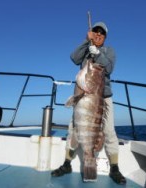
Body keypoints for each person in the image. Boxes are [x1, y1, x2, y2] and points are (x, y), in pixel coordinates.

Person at [51, 22, 126, 185]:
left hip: (102, 98)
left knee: (109, 131)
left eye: (102, 33)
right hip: (83, 98)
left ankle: (114, 167)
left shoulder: (109, 51)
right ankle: (67, 164)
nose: (98, 34)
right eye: (95, 31)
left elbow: (109, 67)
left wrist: (97, 54)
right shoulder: (86, 49)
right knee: (73, 129)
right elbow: (74, 58)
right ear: (92, 33)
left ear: (105, 37)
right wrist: (86, 41)